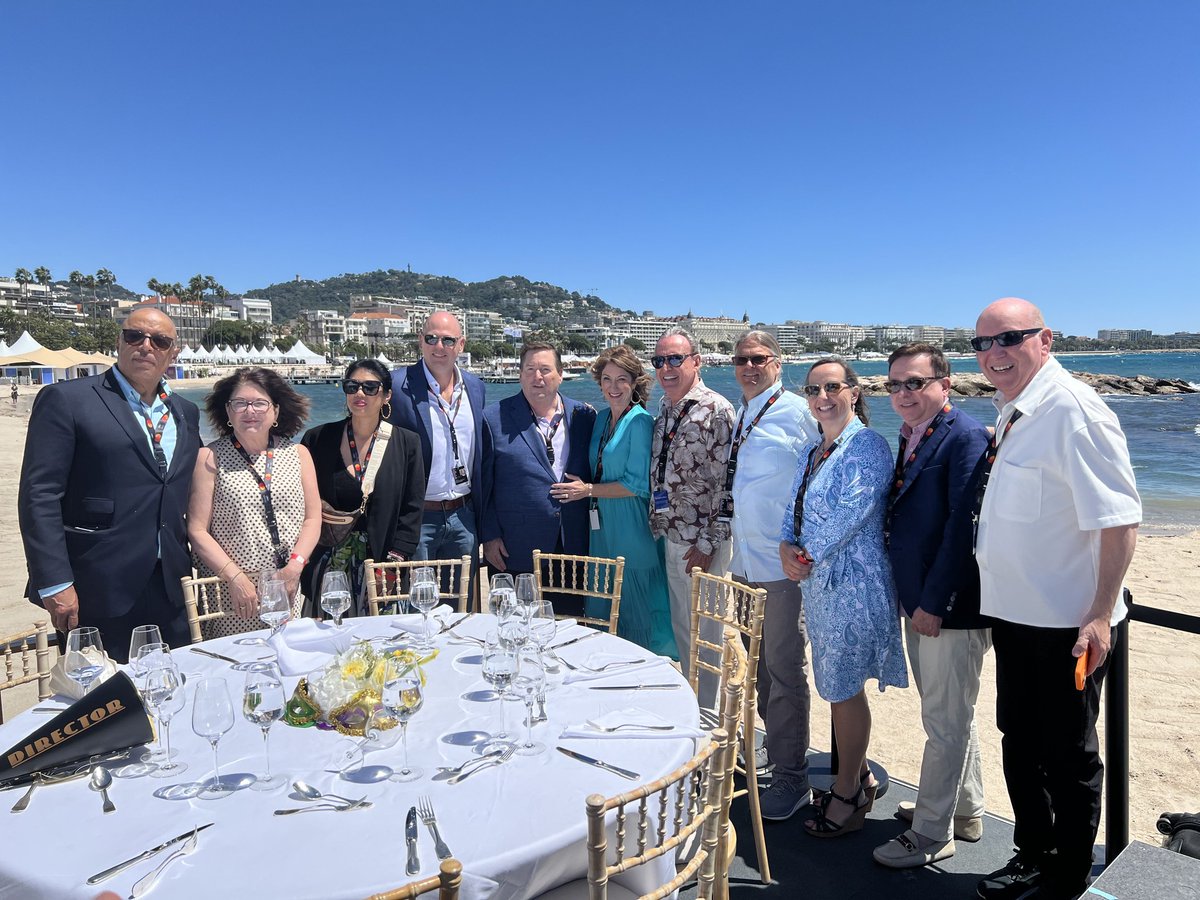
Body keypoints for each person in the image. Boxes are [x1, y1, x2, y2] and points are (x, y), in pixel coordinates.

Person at [972, 299, 1140, 900]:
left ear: (1044, 339)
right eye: (982, 345)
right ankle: (1031, 855)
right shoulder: (1019, 408)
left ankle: (1067, 878)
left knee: (1068, 759)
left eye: (1008, 339)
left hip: (1065, 624)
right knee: (1019, 742)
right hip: (1016, 616)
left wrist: (1099, 615)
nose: (993, 354)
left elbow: (1118, 521)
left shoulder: (1074, 409)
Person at [18, 308, 201, 661]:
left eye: (159, 341)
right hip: (96, 585)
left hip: (170, 584)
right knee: (104, 704)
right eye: (135, 336)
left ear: (172, 353)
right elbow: (39, 495)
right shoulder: (68, 400)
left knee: (171, 688)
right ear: (119, 342)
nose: (146, 346)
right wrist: (55, 581)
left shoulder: (186, 412)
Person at [872, 343, 992, 869]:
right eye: (895, 384)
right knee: (947, 715)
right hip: (918, 599)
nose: (903, 394)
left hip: (947, 607)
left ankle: (929, 832)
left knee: (945, 722)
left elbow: (962, 530)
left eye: (915, 383)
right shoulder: (913, 434)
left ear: (946, 384)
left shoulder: (964, 435)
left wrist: (935, 604)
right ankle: (965, 811)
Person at [779, 357, 907, 838]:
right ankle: (861, 776)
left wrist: (802, 554)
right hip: (820, 586)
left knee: (842, 689)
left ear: (853, 392)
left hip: (854, 586)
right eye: (813, 390)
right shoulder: (815, 449)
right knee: (836, 685)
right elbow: (793, 509)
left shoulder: (867, 446)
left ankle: (849, 791)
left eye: (832, 387)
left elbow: (851, 513)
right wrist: (783, 545)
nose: (821, 397)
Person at [724, 330, 819, 821]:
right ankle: (776, 752)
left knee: (784, 670)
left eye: (759, 359)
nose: (749, 366)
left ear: (778, 363)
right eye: (741, 359)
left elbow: (825, 466)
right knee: (758, 666)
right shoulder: (742, 412)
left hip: (780, 567)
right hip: (743, 562)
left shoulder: (800, 411)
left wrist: (807, 541)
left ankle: (792, 774)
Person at [550, 346, 674, 656]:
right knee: (603, 599)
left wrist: (587, 490)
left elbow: (637, 485)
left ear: (635, 383)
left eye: (621, 379)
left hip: (631, 526)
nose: (613, 387)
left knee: (633, 604)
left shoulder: (641, 422)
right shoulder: (601, 418)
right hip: (601, 527)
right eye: (607, 379)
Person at [187, 368, 322, 637]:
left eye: (260, 403)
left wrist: (295, 566)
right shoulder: (209, 458)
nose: (250, 411)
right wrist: (235, 578)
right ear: (227, 411)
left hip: (286, 583)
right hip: (233, 592)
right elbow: (197, 530)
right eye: (240, 403)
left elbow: (312, 517)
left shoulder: (298, 454)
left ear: (275, 411)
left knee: (287, 659)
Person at [301, 359, 425, 615]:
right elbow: (303, 502)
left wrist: (396, 559)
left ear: (387, 395)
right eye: (352, 386)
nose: (360, 393)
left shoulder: (407, 443)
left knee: (381, 642)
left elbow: (412, 508)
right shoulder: (317, 439)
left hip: (383, 563)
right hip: (331, 563)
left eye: (370, 387)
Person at [480, 341, 595, 606]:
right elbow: (483, 484)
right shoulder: (492, 418)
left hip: (572, 544)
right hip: (514, 547)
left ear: (560, 375)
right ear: (520, 374)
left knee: (569, 625)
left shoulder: (584, 416)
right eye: (530, 369)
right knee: (513, 626)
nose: (537, 377)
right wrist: (489, 535)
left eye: (545, 369)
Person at [649, 326, 734, 673]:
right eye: (659, 360)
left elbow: (728, 484)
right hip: (671, 535)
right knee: (684, 628)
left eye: (675, 359)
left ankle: (707, 710)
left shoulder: (717, 410)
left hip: (702, 542)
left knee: (706, 631)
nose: (666, 367)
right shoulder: (666, 408)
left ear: (696, 362)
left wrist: (708, 544)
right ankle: (692, 699)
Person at [389, 311, 487, 563]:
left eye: (448, 340)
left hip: (464, 515)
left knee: (461, 599)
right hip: (418, 518)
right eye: (431, 339)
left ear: (461, 344)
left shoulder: (475, 388)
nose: (439, 347)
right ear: (420, 341)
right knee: (416, 599)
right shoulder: (398, 386)